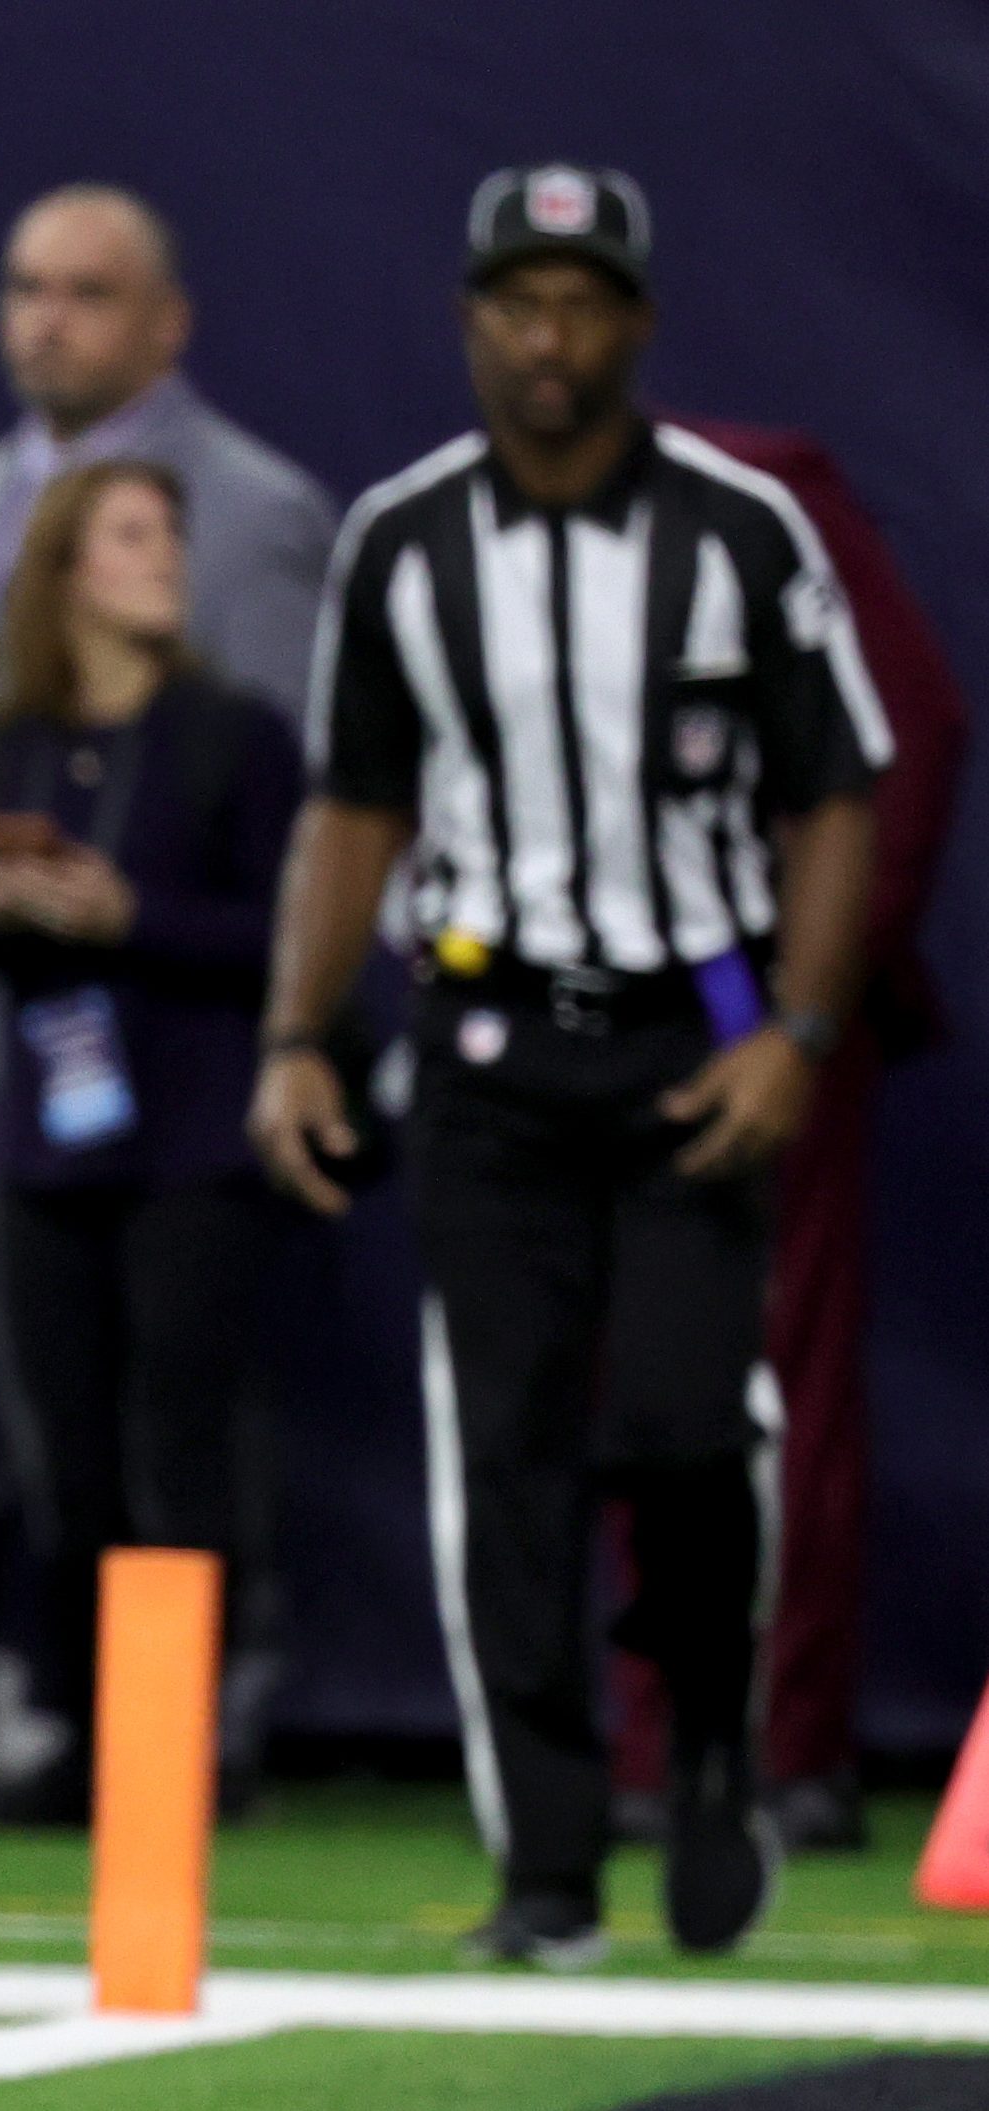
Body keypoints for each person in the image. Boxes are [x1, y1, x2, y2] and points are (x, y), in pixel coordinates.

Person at [250, 166, 887, 1967]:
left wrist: (798, 1033)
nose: (547, 336)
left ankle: (701, 1756)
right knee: (506, 1452)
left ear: (636, 324)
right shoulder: (400, 541)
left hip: (693, 1040)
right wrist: (299, 1036)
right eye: (515, 302)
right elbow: (357, 802)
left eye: (580, 300)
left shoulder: (742, 531)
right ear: (468, 323)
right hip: (481, 1041)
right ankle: (542, 1864)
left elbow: (836, 789)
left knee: (685, 1433)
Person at [0, 186, 335, 1773]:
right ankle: (89, 1710)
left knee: (187, 1392)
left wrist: (282, 1022)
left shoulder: (246, 511)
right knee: (48, 1390)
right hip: (3, 1034)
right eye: (24, 286)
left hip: (183, 1041)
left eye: (87, 291)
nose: (46, 317)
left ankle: (215, 1690)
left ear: (164, 321)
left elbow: (281, 800)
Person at [606, 420, 966, 1857]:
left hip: (764, 1021)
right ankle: (650, 1732)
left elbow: (911, 736)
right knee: (625, 1385)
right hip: (601, 1024)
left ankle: (785, 1745)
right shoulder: (483, 537)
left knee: (782, 1386)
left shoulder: (766, 496)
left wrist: (804, 999)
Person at [0, 460, 301, 1823]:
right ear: (66, 568)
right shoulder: (0, 744)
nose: (162, 559)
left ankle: (180, 1752)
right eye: (131, 536)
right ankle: (94, 1743)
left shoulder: (235, 736)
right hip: (48, 1148)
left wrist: (125, 916)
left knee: (180, 1454)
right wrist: (6, 909)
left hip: (189, 1144)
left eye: (167, 535)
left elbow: (289, 942)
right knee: (68, 1458)